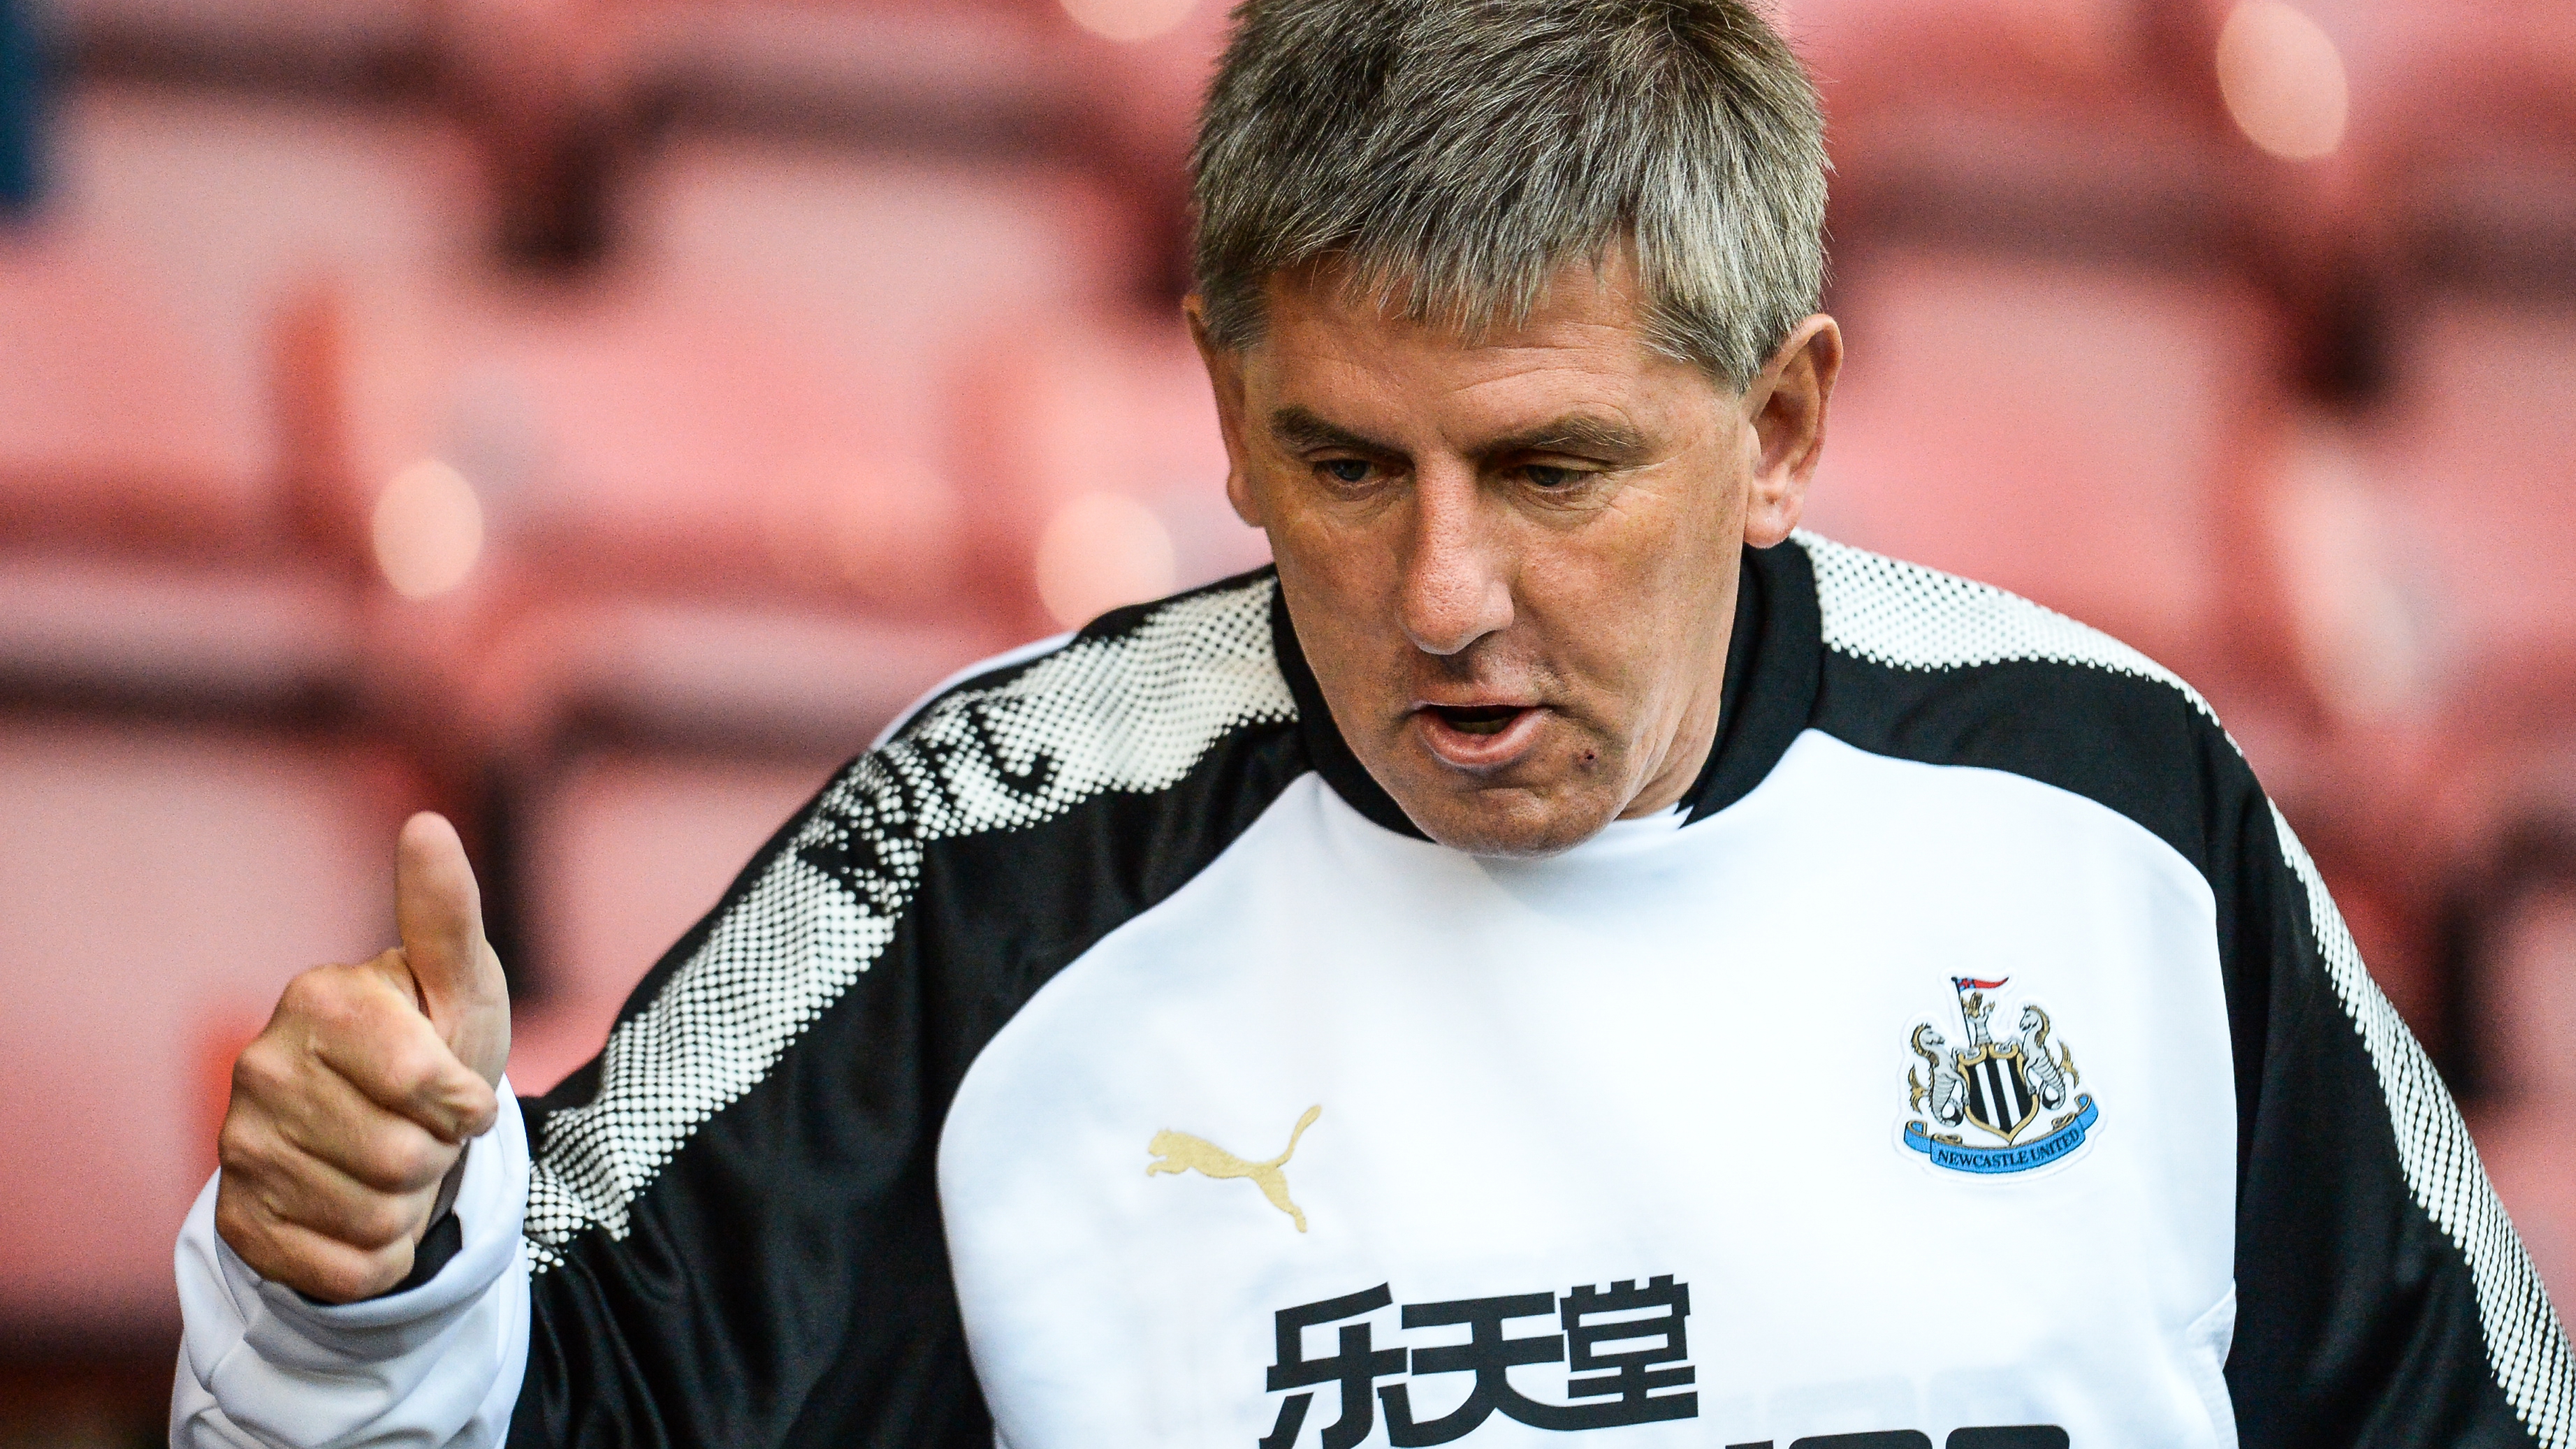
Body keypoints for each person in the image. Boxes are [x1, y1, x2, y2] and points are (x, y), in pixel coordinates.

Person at [175, 0, 2572, 1444]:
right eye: (1343, 464)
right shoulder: (1000, 855)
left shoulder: (2120, 806)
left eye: (1552, 470)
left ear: (1786, 421)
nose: (1443, 596)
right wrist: (356, 1266)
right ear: (1222, 417)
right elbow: (534, 1395)